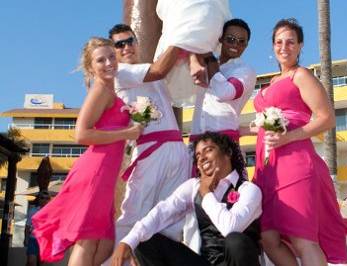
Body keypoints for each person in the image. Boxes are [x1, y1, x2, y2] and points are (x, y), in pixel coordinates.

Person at [32, 37, 143, 265]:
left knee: (104, 242)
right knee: (88, 241)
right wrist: (126, 133)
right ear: (91, 67)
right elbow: (81, 134)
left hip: (105, 176)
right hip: (95, 172)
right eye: (100, 60)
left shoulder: (111, 92)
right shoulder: (100, 90)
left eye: (111, 56)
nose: (109, 63)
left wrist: (134, 113)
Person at [252, 18, 347, 265]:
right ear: (273, 45)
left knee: (303, 238)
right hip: (268, 167)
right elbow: (264, 126)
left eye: (291, 42)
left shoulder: (301, 75)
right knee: (267, 237)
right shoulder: (273, 81)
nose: (284, 47)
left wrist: (288, 138)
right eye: (279, 42)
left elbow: (326, 118)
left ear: (300, 46)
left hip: (294, 162)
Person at [111, 131, 262, 266]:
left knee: (236, 241)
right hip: (204, 262)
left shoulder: (249, 190)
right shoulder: (193, 187)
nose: (202, 158)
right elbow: (162, 212)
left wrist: (206, 194)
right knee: (144, 241)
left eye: (208, 150)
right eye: (198, 155)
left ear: (227, 153)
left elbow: (230, 227)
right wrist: (127, 241)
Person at [107, 24, 190, 256]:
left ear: (136, 42)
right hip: (149, 150)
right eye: (119, 44)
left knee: (171, 219)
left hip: (176, 148)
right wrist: (185, 31)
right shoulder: (120, 73)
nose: (126, 47)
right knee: (134, 214)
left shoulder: (149, 70)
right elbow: (159, 69)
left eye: (129, 41)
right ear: (113, 52)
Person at [189, 19, 257, 144]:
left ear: (246, 45)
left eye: (241, 42)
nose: (235, 45)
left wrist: (209, 56)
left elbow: (224, 92)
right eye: (230, 39)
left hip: (224, 141)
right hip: (196, 142)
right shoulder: (204, 66)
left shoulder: (246, 71)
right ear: (221, 39)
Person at [24, 191, 50, 266]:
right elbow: (28, 226)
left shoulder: (51, 212)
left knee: (41, 263)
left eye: (47, 198)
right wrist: (26, 238)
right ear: (39, 199)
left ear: (49, 200)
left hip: (44, 241)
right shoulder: (33, 211)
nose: (44, 200)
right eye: (42, 198)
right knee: (32, 262)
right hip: (33, 239)